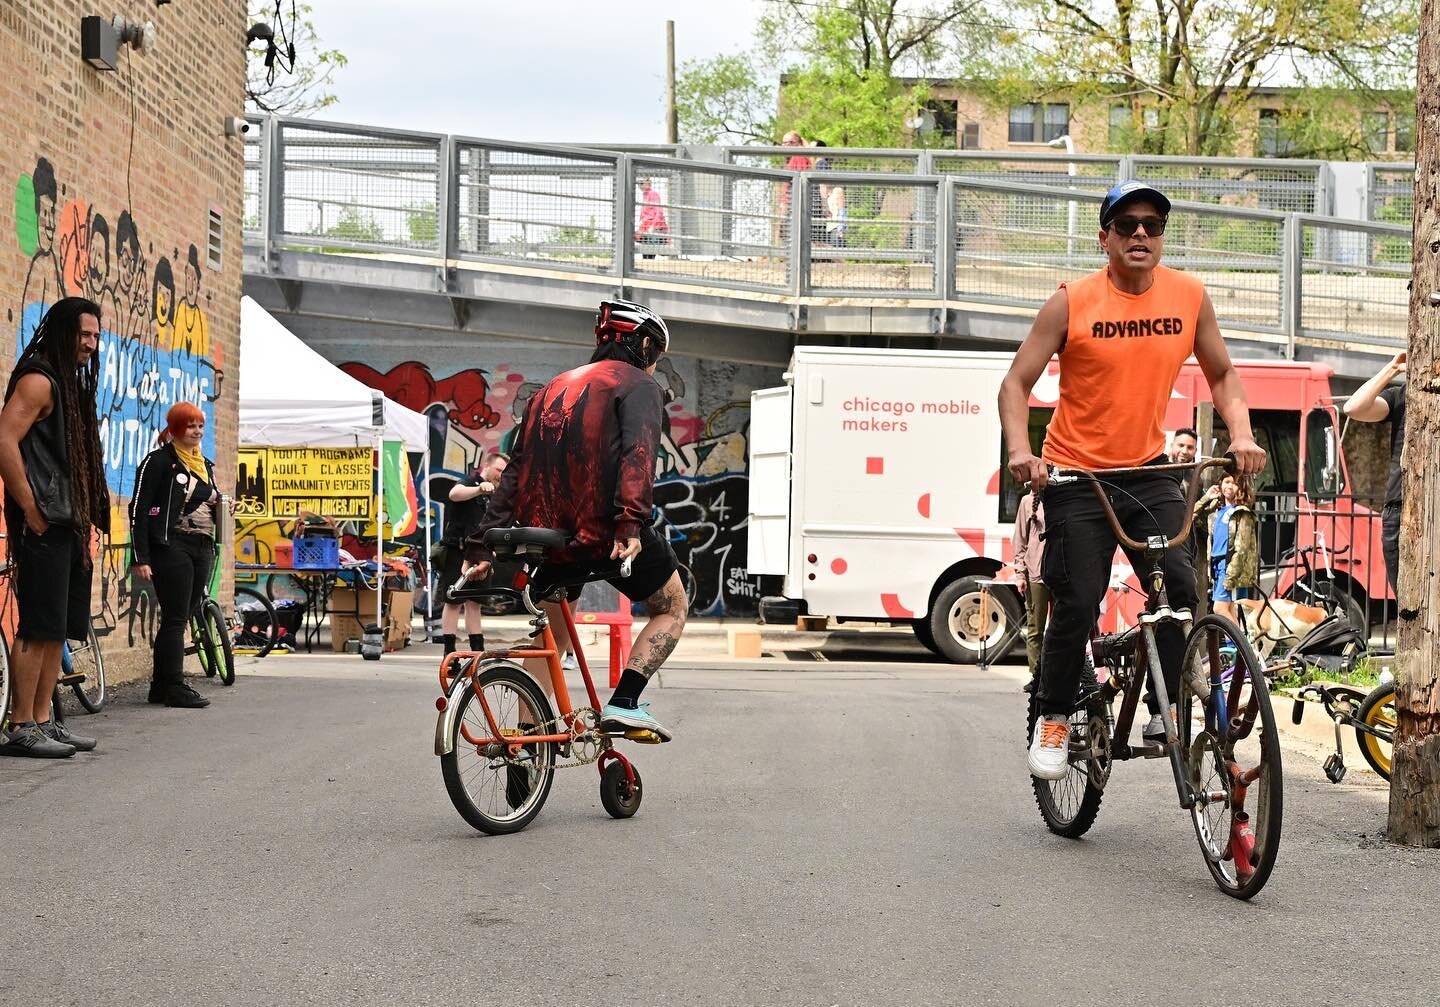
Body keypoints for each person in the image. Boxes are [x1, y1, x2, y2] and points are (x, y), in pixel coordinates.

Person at [999, 180, 1266, 781]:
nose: (1141, 233)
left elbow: (1223, 375)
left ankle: (1166, 705)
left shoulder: (1189, 297)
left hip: (1147, 471)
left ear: (1162, 236)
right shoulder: (1072, 301)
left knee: (1178, 589)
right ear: (1106, 239)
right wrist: (1022, 452)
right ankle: (1055, 716)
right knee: (1079, 599)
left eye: (1152, 224)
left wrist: (1242, 435)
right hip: (1075, 473)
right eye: (1127, 225)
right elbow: (1015, 384)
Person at [464, 299, 688, 742]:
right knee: (673, 605)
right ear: (644, 344)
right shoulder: (639, 384)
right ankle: (625, 703)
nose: (656, 362)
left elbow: (515, 470)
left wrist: (480, 542)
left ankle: (525, 742)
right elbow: (637, 456)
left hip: (550, 539)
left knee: (554, 631)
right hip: (604, 532)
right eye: (657, 352)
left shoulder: (550, 389)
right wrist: (629, 524)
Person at [0, 297, 109, 757]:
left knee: (58, 626)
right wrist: (30, 508)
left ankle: (45, 719)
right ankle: (20, 725)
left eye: (96, 336)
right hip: (43, 520)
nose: (90, 343)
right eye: (84, 334)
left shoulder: (68, 384)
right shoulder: (39, 380)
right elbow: (4, 439)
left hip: (67, 520)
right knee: (38, 626)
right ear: (63, 332)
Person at [131, 402, 226, 709]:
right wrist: (140, 557)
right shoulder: (158, 462)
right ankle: (173, 684)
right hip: (172, 544)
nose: (197, 432)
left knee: (183, 614)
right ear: (174, 429)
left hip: (201, 543)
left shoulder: (204, 465)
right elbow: (139, 509)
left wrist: (220, 505)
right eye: (190, 426)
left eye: (200, 426)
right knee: (175, 617)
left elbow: (206, 496)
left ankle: (160, 686)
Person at [1342, 351, 1406, 592]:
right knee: (1409, 607)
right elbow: (1353, 407)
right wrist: (1393, 369)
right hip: (1399, 515)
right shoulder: (1403, 396)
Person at [438, 452, 507, 656]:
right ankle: (449, 653)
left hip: (482, 555)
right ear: (486, 465)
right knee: (453, 601)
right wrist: (478, 489)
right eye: (498, 470)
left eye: (504, 472)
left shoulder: (498, 493)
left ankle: (477, 653)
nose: (500, 475)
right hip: (458, 551)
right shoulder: (470, 482)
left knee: (475, 603)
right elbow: (454, 494)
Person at [1195, 474, 1258, 622]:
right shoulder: (1216, 512)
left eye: (1235, 483)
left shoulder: (1242, 513)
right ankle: (1235, 645)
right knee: (1229, 609)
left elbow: (1242, 548)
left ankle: (1238, 643)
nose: (1229, 486)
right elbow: (1191, 517)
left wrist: (1231, 575)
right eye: (1226, 482)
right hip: (1216, 564)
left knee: (1219, 608)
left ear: (1242, 487)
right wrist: (1207, 498)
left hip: (1229, 566)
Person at [1012, 491, 1048, 677]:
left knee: (1062, 630)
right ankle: (1036, 677)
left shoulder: (1063, 497)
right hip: (1035, 573)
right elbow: (1020, 539)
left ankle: (1055, 678)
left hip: (1061, 574)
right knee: (1035, 630)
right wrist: (1020, 573)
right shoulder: (1028, 501)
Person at [635, 179, 669, 259]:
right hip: (646, 226)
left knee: (650, 251)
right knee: (646, 251)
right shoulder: (645, 195)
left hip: (653, 226)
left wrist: (653, 226)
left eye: (642, 183)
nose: (640, 186)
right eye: (639, 184)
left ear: (648, 183)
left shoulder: (653, 194)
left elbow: (658, 211)